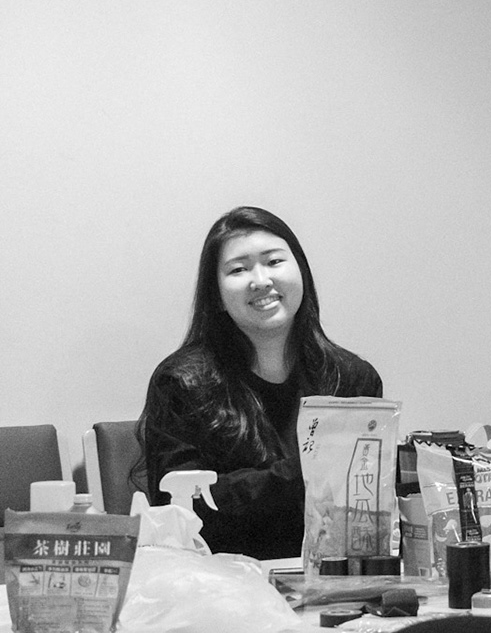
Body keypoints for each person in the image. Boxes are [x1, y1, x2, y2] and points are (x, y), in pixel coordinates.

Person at [139, 207, 383, 559]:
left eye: (274, 262)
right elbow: (180, 510)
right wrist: (303, 476)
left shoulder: (352, 378)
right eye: (238, 269)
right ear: (216, 295)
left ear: (301, 272)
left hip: (336, 576)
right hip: (225, 577)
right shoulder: (182, 384)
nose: (261, 280)